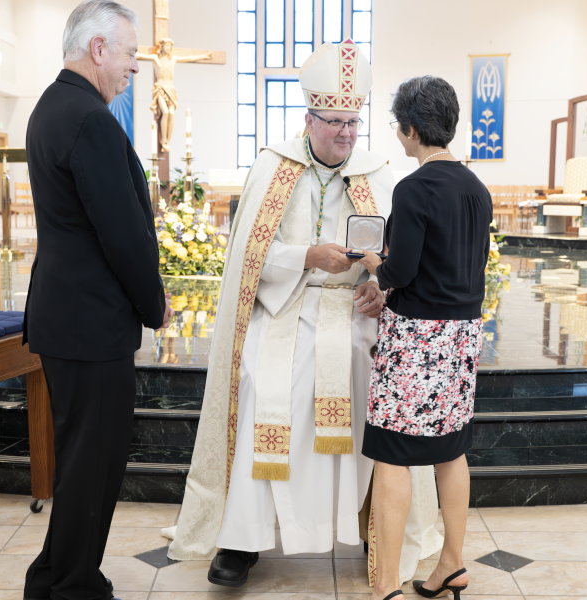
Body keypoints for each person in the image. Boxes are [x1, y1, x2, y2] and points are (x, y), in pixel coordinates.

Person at [163, 40, 441, 588]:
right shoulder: (274, 166)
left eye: (353, 122)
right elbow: (245, 256)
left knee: (370, 375)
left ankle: (374, 526)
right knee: (260, 376)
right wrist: (304, 257)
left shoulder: (377, 171)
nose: (345, 133)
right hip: (284, 301)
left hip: (355, 309)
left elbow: (401, 257)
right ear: (308, 119)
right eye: (334, 121)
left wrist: (380, 286)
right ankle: (242, 539)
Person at [21, 2, 170, 599]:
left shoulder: (53, 107)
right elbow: (124, 232)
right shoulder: (89, 119)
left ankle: (57, 574)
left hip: (68, 317)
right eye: (131, 54)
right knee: (94, 463)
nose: (136, 66)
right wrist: (152, 302)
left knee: (83, 459)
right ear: (99, 49)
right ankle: (72, 586)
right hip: (90, 321)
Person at [356, 76, 492, 600]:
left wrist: (376, 267)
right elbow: (469, 264)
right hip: (462, 338)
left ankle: (386, 584)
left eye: (398, 127)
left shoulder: (413, 188)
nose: (398, 136)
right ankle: (452, 564)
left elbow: (403, 269)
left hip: (416, 341)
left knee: (391, 456)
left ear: (412, 130)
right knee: (450, 452)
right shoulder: (476, 188)